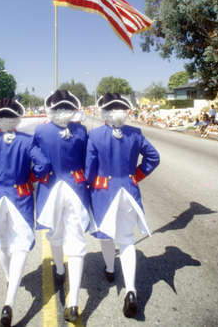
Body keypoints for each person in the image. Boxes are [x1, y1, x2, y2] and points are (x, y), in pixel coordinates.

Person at [0, 98, 50, 327]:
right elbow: (43, 165)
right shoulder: (27, 141)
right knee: (21, 246)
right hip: (20, 197)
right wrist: (31, 178)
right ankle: (9, 303)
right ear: (17, 118)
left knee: (2, 243)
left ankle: (9, 279)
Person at [85, 93, 160, 318]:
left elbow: (89, 169)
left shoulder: (95, 135)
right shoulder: (136, 133)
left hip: (104, 192)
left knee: (106, 235)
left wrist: (90, 184)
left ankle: (109, 270)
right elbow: (153, 158)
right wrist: (136, 175)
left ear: (104, 112)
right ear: (125, 111)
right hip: (128, 190)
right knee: (127, 240)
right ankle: (130, 291)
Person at [32, 90, 90, 323]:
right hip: (75, 188)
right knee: (76, 242)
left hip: (51, 189)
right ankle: (73, 301)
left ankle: (58, 271)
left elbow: (35, 160)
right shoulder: (81, 131)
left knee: (55, 235)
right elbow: (89, 162)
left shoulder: (41, 131)